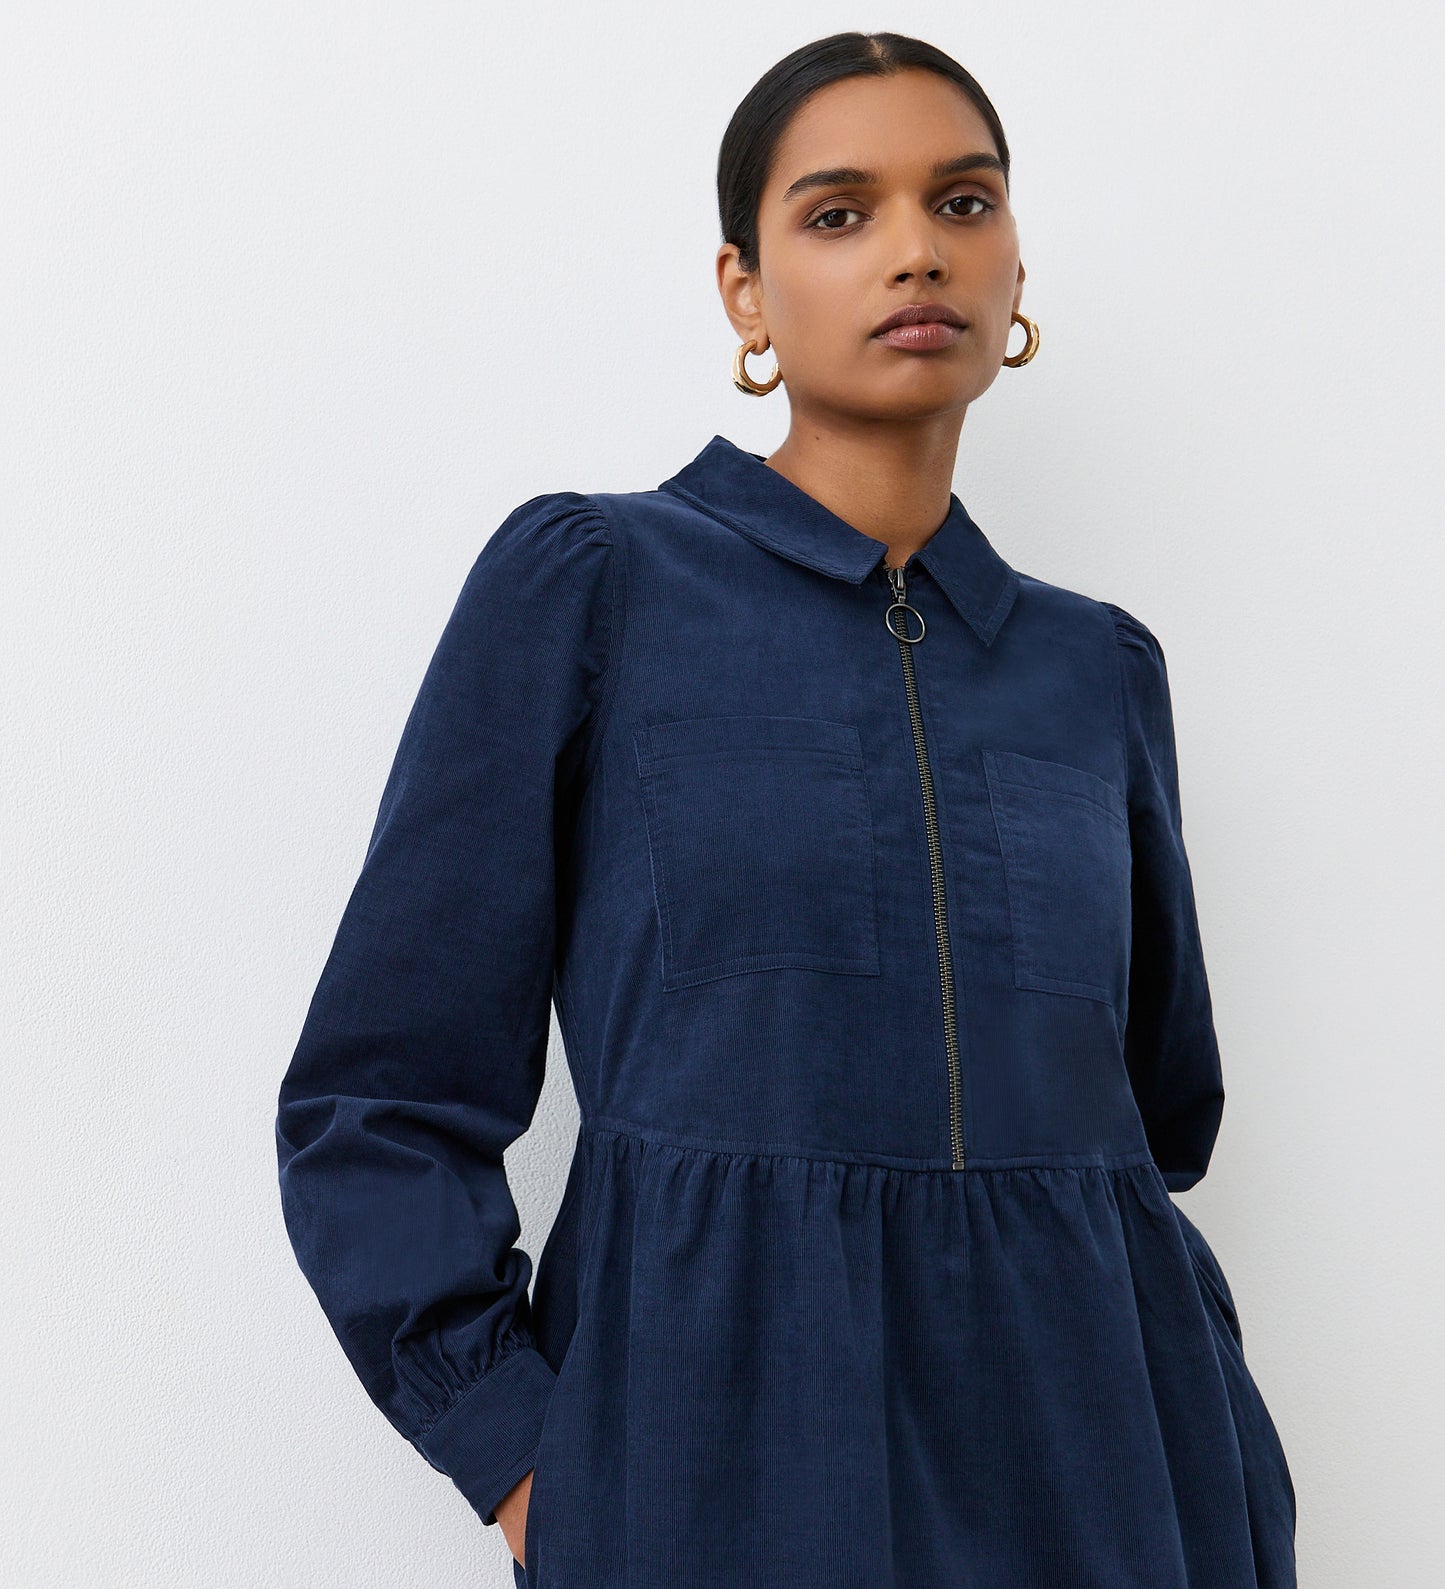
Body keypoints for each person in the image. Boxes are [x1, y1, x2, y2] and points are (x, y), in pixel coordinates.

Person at [275, 29, 1298, 1588]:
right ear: (743, 290)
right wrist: (524, 1448)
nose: (914, 250)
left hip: (1113, 1462)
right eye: (839, 213)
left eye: (962, 203)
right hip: (723, 1452)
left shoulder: (1094, 669)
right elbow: (379, 1095)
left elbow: (1155, 1111)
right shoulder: (594, 586)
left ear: (1015, 270)